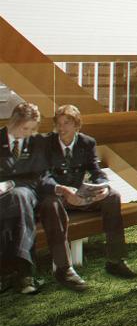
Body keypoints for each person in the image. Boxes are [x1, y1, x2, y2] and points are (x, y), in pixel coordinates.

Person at [47, 105, 136, 279]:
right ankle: (64, 268)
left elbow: (96, 171)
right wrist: (64, 191)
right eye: (59, 123)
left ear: (76, 125)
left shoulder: (86, 142)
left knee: (113, 195)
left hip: (80, 196)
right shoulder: (47, 143)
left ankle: (115, 260)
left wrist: (103, 186)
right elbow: (42, 176)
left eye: (66, 123)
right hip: (56, 198)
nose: (61, 128)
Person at [2, 103, 81, 293]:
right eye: (25, 128)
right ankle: (24, 274)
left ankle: (63, 268)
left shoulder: (36, 142)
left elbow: (43, 175)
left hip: (32, 192)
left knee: (50, 203)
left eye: (32, 129)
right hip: (5, 198)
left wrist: (58, 187)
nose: (28, 133)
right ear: (13, 122)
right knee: (18, 198)